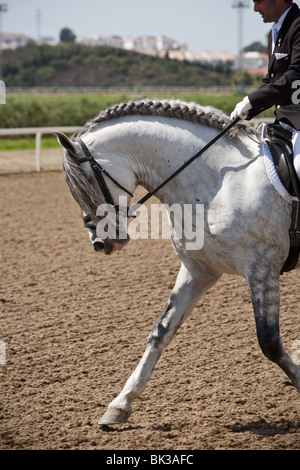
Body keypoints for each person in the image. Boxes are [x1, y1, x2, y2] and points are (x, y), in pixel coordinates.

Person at [230, 0, 300, 177]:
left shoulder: (298, 24)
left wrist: (252, 100)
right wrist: (248, 109)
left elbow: (295, 75)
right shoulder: (275, 32)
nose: (255, 9)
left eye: (259, 2)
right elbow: (273, 80)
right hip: (284, 122)